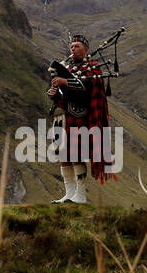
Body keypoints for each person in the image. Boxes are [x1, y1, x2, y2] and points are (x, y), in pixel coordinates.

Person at [46, 34, 117, 203]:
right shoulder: (67, 69)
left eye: (77, 46)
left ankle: (81, 195)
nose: (73, 49)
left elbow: (89, 88)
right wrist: (54, 94)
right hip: (63, 118)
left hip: (82, 117)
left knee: (76, 155)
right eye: (71, 47)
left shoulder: (92, 68)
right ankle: (69, 195)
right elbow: (63, 98)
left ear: (86, 50)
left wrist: (66, 82)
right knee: (63, 157)